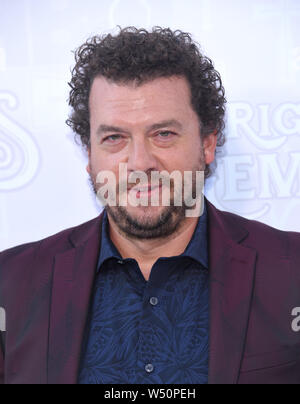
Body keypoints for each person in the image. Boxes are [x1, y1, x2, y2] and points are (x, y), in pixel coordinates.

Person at [0, 27, 299, 385]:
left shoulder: (292, 272)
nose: (140, 163)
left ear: (207, 144)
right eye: (115, 138)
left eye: (163, 134)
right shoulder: (11, 284)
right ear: (89, 155)